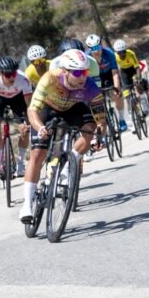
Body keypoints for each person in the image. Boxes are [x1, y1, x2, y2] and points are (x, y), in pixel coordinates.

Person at [19, 49, 100, 223]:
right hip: (47, 109)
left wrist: (99, 134)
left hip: (73, 108)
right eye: (77, 73)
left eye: (85, 72)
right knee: (37, 154)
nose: (82, 77)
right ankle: (27, 204)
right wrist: (40, 127)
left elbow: (100, 116)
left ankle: (68, 166)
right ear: (65, 71)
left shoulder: (90, 86)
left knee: (90, 128)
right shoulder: (49, 78)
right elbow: (32, 110)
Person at [0, 56, 33, 178]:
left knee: (24, 129)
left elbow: (29, 104)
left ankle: (20, 164)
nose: (12, 77)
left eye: (13, 74)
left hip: (18, 99)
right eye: (8, 75)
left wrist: (30, 121)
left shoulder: (23, 79)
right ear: (1, 74)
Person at [85, 34, 127, 133]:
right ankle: (101, 127)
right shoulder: (86, 57)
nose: (96, 51)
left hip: (109, 75)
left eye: (98, 47)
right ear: (89, 49)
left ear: (101, 45)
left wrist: (116, 88)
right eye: (93, 49)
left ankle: (121, 119)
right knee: (95, 102)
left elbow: (115, 73)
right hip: (95, 77)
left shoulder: (109, 53)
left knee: (117, 95)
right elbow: (85, 77)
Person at [113, 39, 149, 123]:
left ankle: (143, 101)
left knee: (137, 83)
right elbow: (115, 71)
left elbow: (137, 67)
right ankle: (132, 115)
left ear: (126, 50)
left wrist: (139, 79)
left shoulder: (130, 54)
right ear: (116, 52)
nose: (122, 54)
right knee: (127, 95)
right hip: (124, 72)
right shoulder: (114, 56)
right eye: (119, 52)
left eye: (123, 51)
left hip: (133, 70)